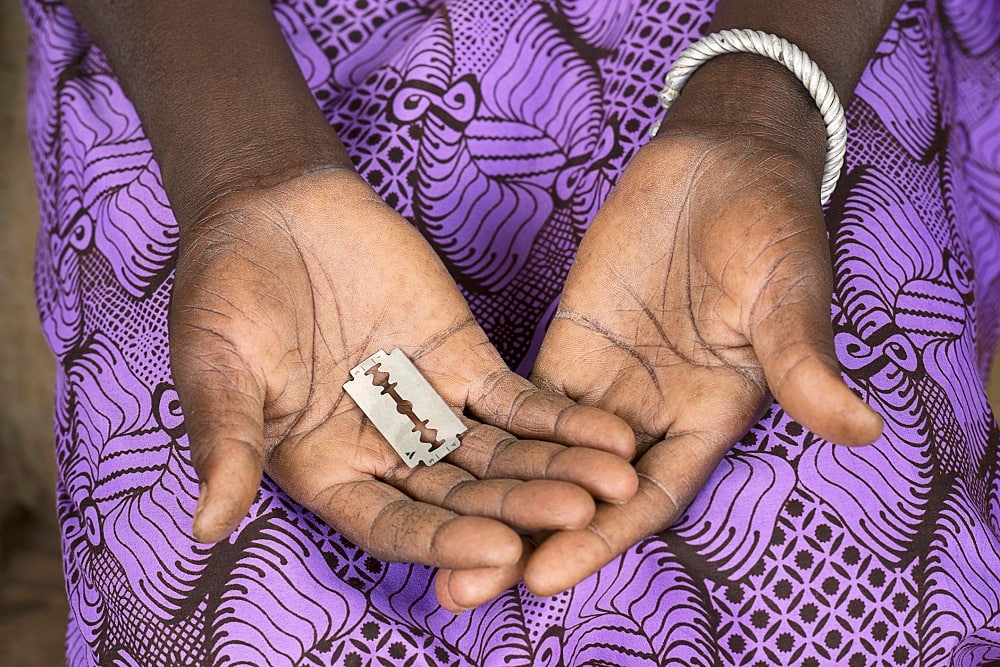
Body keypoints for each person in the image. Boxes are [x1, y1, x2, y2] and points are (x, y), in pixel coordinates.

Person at [20, 0, 1000, 663]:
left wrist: (763, 108)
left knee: (856, 594)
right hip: (213, 58)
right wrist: (243, 169)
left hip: (791, 28)